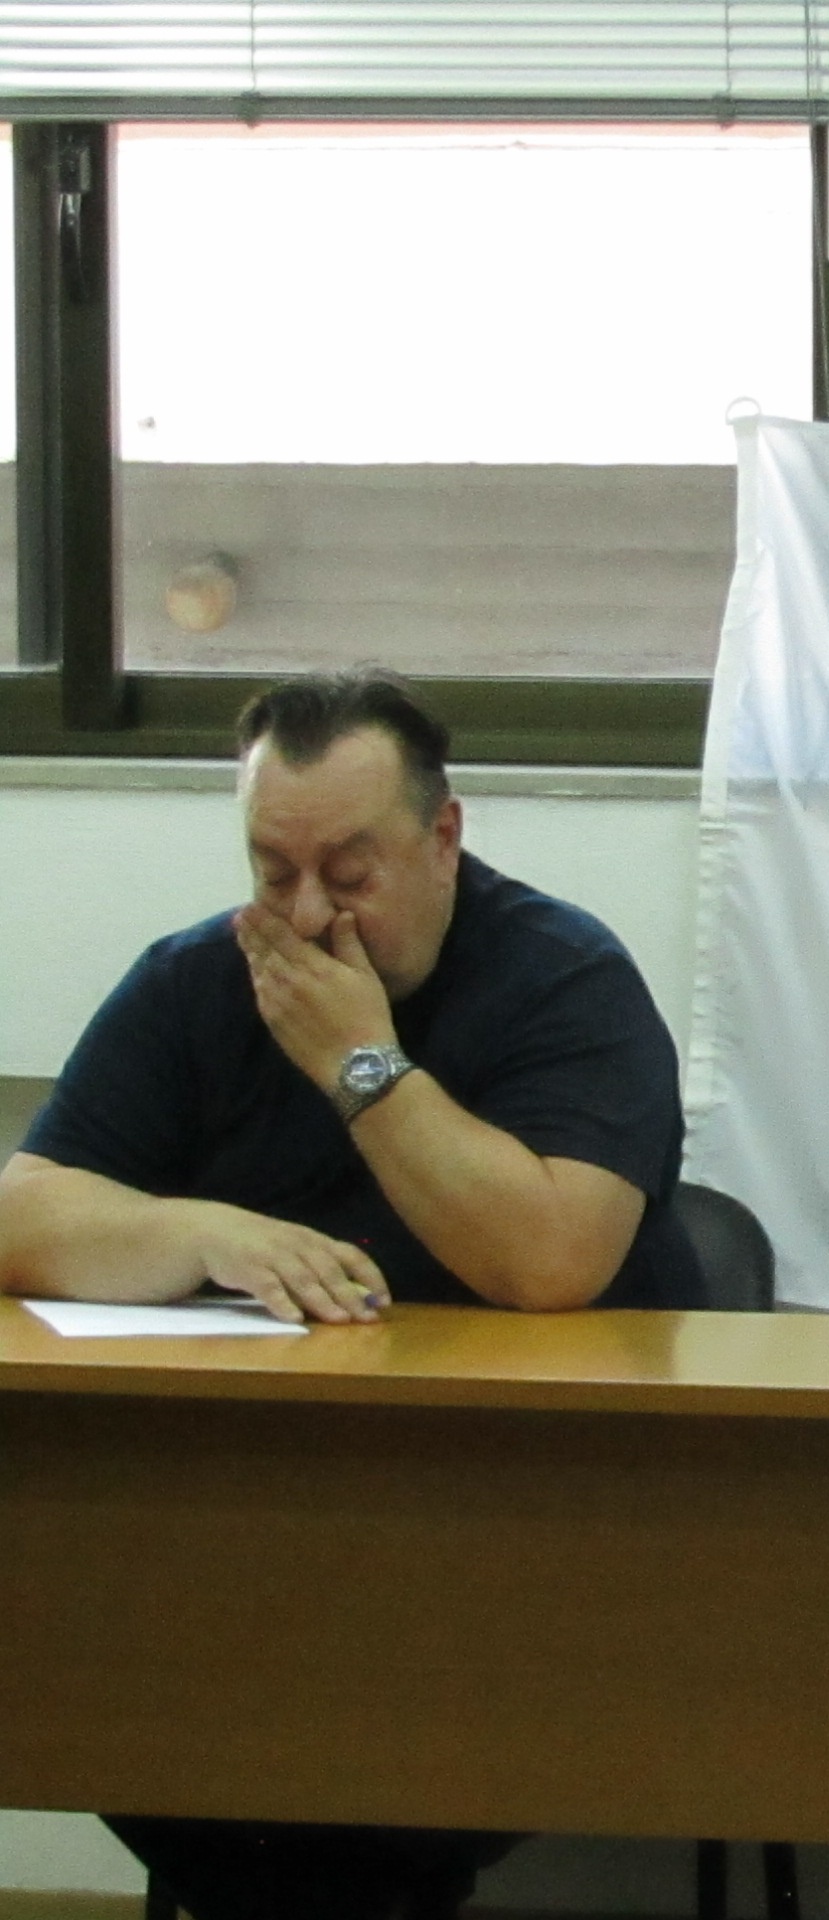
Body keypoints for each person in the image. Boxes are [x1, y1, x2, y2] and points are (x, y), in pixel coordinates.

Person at [0, 667, 707, 1919]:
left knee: (359, 1795)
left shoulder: (565, 980)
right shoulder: (198, 981)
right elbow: (20, 1216)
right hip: (251, 1522)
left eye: (349, 873)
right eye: (273, 872)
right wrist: (195, 1230)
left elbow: (551, 1261)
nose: (309, 914)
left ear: (443, 838)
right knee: (105, 1685)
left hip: (531, 1524)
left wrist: (360, 1064)